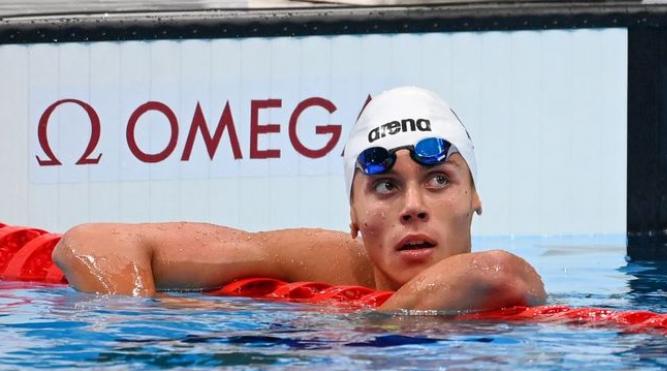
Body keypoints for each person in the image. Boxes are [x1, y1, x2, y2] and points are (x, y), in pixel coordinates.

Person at [53, 87, 546, 312]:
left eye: (438, 180)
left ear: (474, 197)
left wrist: (359, 326)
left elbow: (494, 273)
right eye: (386, 186)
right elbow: (94, 242)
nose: (413, 206)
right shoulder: (322, 260)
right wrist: (144, 322)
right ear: (353, 214)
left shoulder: (507, 276)